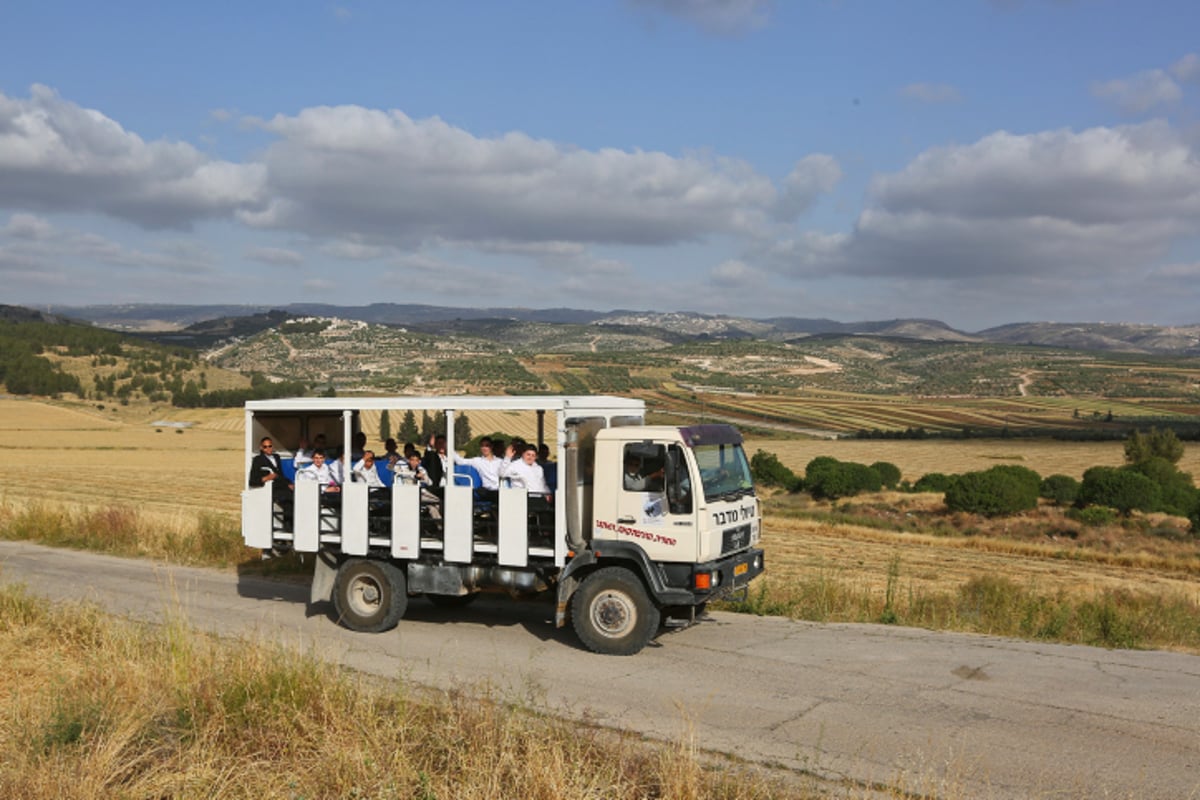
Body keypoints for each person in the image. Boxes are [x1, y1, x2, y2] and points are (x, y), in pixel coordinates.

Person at [392, 452, 441, 518]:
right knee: (435, 503)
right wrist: (415, 476)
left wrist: (424, 477)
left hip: (420, 493)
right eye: (412, 460)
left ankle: (440, 527)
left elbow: (430, 483)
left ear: (419, 461)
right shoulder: (403, 469)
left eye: (416, 461)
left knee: (435, 505)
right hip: (407, 494)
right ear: (408, 460)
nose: (414, 462)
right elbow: (396, 471)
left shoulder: (422, 470)